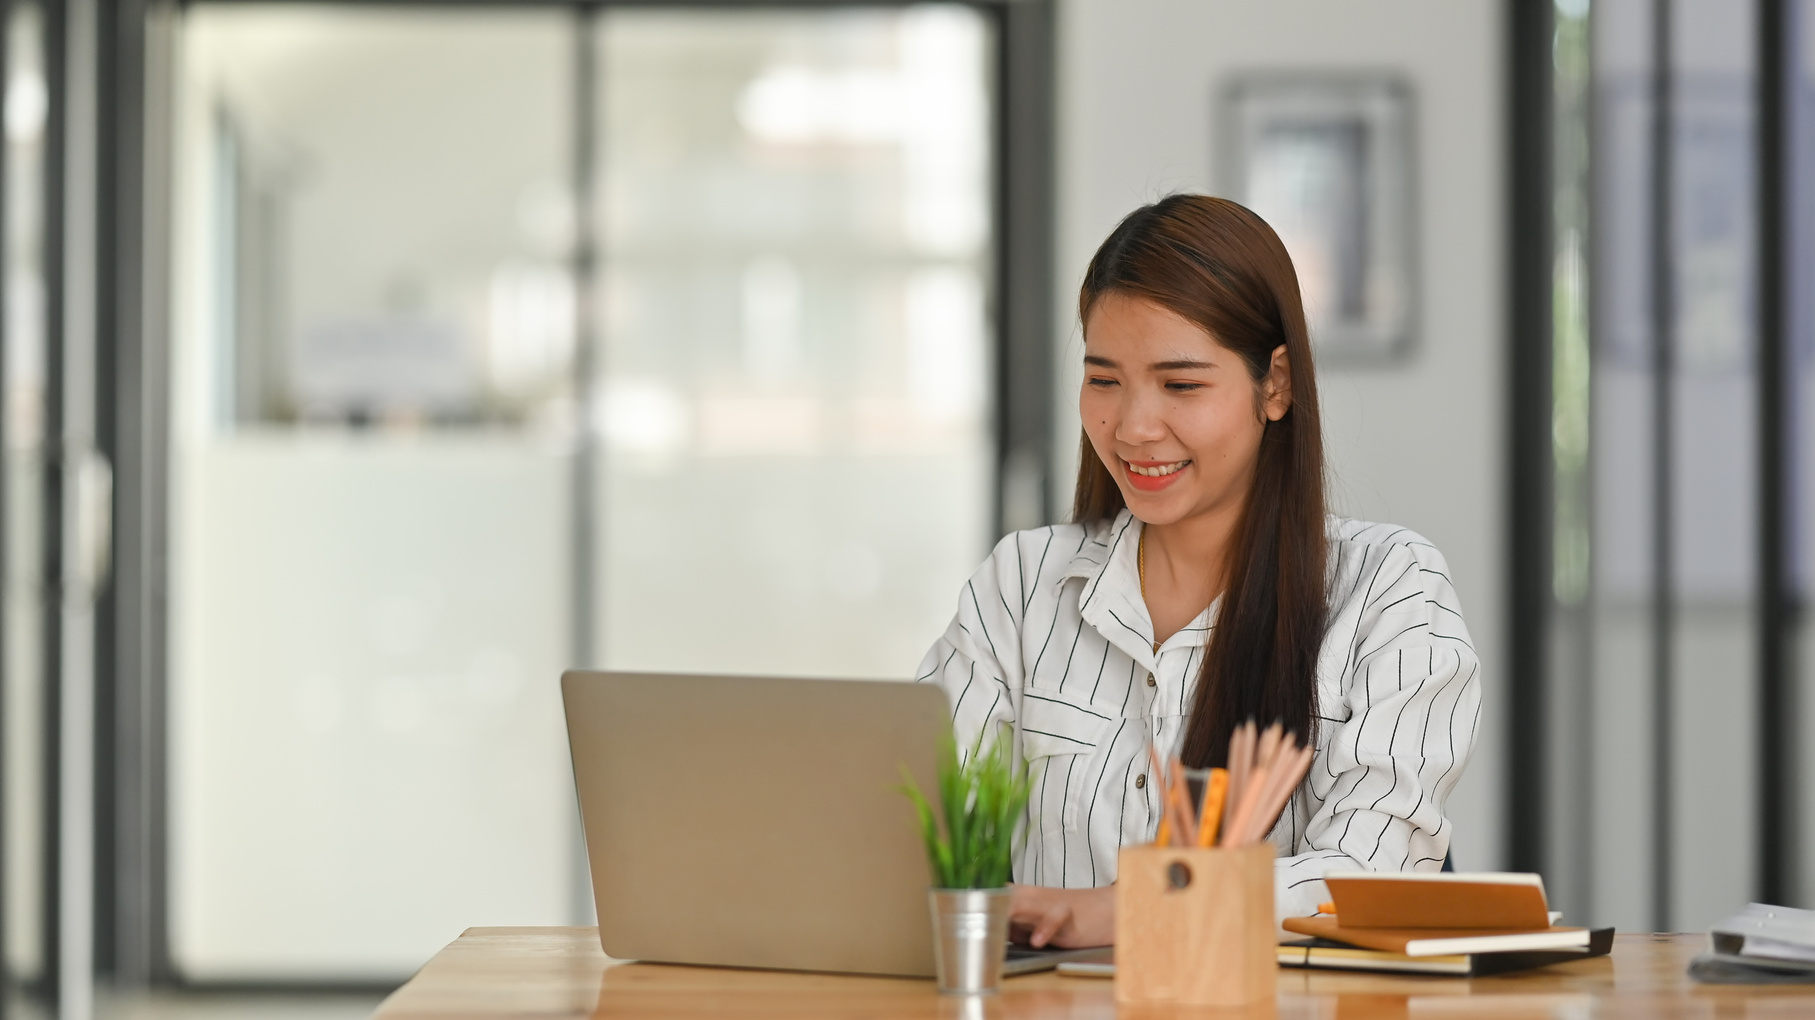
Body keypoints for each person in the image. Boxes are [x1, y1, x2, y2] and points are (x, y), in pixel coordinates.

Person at [915, 194, 1481, 950]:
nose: (1134, 426)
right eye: (1104, 380)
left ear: (1273, 386)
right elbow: (917, 839)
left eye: (1180, 385)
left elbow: (1372, 880)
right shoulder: (1021, 584)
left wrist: (1132, 906)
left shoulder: (1387, 590)